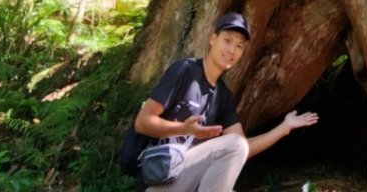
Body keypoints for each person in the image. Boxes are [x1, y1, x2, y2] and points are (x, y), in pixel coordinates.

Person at [134, 11, 318, 191]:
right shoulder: (185, 70)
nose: (232, 50)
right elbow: (142, 123)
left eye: (239, 46)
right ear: (212, 39)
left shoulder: (223, 96)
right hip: (159, 179)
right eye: (227, 40)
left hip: (187, 179)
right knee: (234, 145)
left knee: (236, 148)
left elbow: (243, 148)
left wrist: (284, 127)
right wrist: (184, 129)